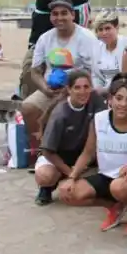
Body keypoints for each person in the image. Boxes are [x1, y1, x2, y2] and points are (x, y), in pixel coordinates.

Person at [59, 76, 127, 234]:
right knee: (70, 194)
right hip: (105, 175)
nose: (123, 104)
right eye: (118, 98)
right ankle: (114, 207)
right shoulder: (99, 119)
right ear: (109, 99)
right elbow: (88, 152)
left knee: (118, 187)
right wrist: (71, 177)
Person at [20, 0, 99, 145]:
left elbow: (93, 71)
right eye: (55, 14)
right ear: (50, 17)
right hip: (50, 89)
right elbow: (35, 71)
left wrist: (71, 90)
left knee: (62, 110)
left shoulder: (87, 38)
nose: (59, 17)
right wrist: (45, 88)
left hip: (79, 90)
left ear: (72, 15)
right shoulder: (45, 38)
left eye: (64, 13)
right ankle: (40, 151)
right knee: (28, 107)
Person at [33, 70, 107, 206]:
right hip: (59, 155)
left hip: (87, 153)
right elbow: (47, 151)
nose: (83, 91)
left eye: (86, 87)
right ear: (69, 89)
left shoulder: (96, 101)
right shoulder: (60, 113)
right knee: (45, 176)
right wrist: (70, 172)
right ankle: (47, 187)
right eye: (77, 87)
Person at [91, 11, 127, 92]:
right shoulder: (96, 48)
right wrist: (98, 88)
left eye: (108, 28)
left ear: (117, 28)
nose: (104, 33)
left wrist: (107, 90)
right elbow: (95, 75)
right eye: (100, 29)